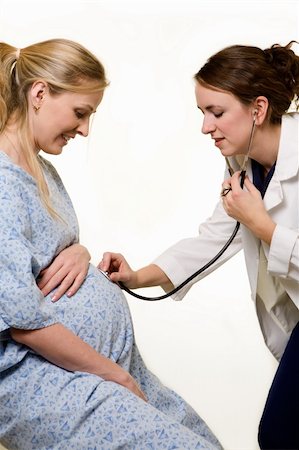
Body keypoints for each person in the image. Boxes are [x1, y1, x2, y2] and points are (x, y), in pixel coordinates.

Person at [0, 38, 223, 449]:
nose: (85, 129)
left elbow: (47, 256)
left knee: (202, 440)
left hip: (101, 365)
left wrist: (80, 251)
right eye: (80, 113)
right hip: (45, 378)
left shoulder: (41, 170)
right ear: (39, 93)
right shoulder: (1, 184)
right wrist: (113, 375)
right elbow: (22, 321)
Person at [99, 41, 299, 450]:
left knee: (281, 433)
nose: (206, 127)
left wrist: (262, 225)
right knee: (281, 433)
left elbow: (256, 227)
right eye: (202, 113)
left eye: (217, 112)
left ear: (258, 110)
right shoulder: (244, 164)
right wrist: (138, 275)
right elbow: (213, 239)